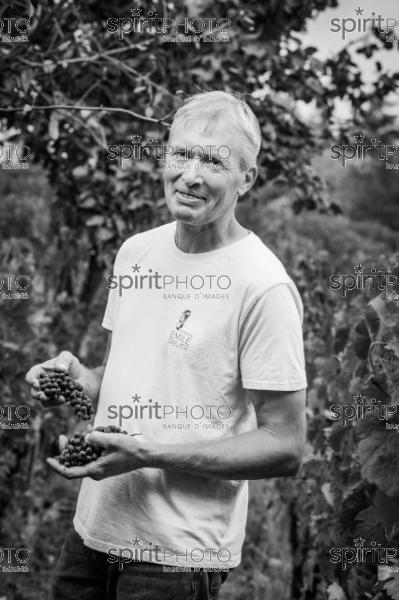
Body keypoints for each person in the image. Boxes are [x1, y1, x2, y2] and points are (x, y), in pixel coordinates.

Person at [25, 91, 307, 600]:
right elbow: (120, 382)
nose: (191, 175)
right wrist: (74, 378)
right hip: (92, 532)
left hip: (175, 561)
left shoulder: (262, 286)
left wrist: (148, 454)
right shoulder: (136, 253)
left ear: (247, 178)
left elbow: (285, 446)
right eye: (182, 154)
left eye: (214, 161)